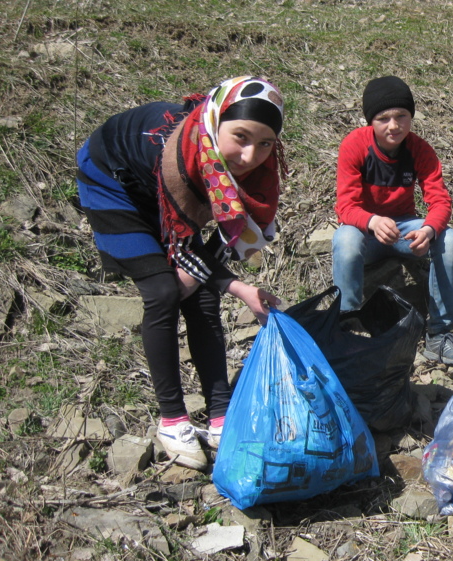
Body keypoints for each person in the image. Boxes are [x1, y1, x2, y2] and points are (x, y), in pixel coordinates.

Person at [76, 76, 286, 470]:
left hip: (165, 193)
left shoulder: (251, 170)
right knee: (163, 291)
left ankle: (221, 414)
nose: (248, 156)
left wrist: (233, 285)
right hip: (114, 184)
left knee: (202, 295)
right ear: (215, 121)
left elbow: (230, 229)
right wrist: (226, 284)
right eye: (240, 136)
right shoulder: (178, 153)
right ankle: (172, 419)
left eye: (264, 143)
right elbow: (186, 244)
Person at [333, 75, 453, 366]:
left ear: (411, 117)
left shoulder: (420, 150)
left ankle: (439, 333)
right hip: (366, 233)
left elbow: (440, 201)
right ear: (370, 120)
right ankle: (344, 326)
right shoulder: (354, 145)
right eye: (383, 118)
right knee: (344, 237)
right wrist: (371, 221)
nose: (393, 125)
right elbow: (345, 206)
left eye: (401, 116)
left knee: (448, 238)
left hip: (403, 231)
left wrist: (428, 230)